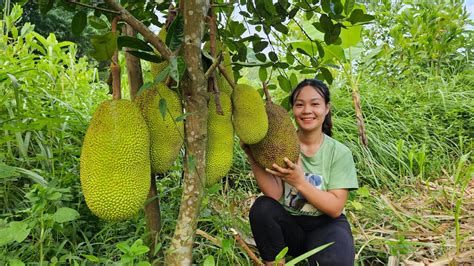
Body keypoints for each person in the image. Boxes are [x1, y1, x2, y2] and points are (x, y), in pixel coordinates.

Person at [242, 78, 359, 265]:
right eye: (299, 105)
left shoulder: (339, 152)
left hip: (326, 226)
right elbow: (274, 194)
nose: (307, 111)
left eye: (315, 104)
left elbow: (335, 208)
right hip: (291, 226)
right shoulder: (280, 145)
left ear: (326, 108)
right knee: (262, 208)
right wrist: (252, 156)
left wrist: (299, 181)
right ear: (292, 110)